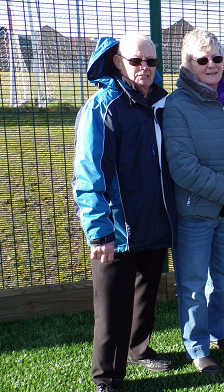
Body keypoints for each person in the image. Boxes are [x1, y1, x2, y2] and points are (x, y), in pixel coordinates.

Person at [73, 32, 177, 392]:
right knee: (112, 309)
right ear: (118, 63)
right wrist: (99, 230)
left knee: (146, 295)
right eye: (136, 61)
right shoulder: (102, 107)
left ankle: (139, 350)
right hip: (118, 228)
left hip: (156, 222)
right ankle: (107, 379)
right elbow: (89, 173)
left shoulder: (162, 104)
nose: (145, 68)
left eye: (151, 62)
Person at [163, 29, 224, 375]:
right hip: (195, 214)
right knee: (192, 285)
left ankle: (217, 333)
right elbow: (183, 167)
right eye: (202, 60)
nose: (211, 65)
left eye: (217, 58)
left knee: (220, 279)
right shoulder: (176, 106)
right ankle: (197, 347)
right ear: (188, 64)